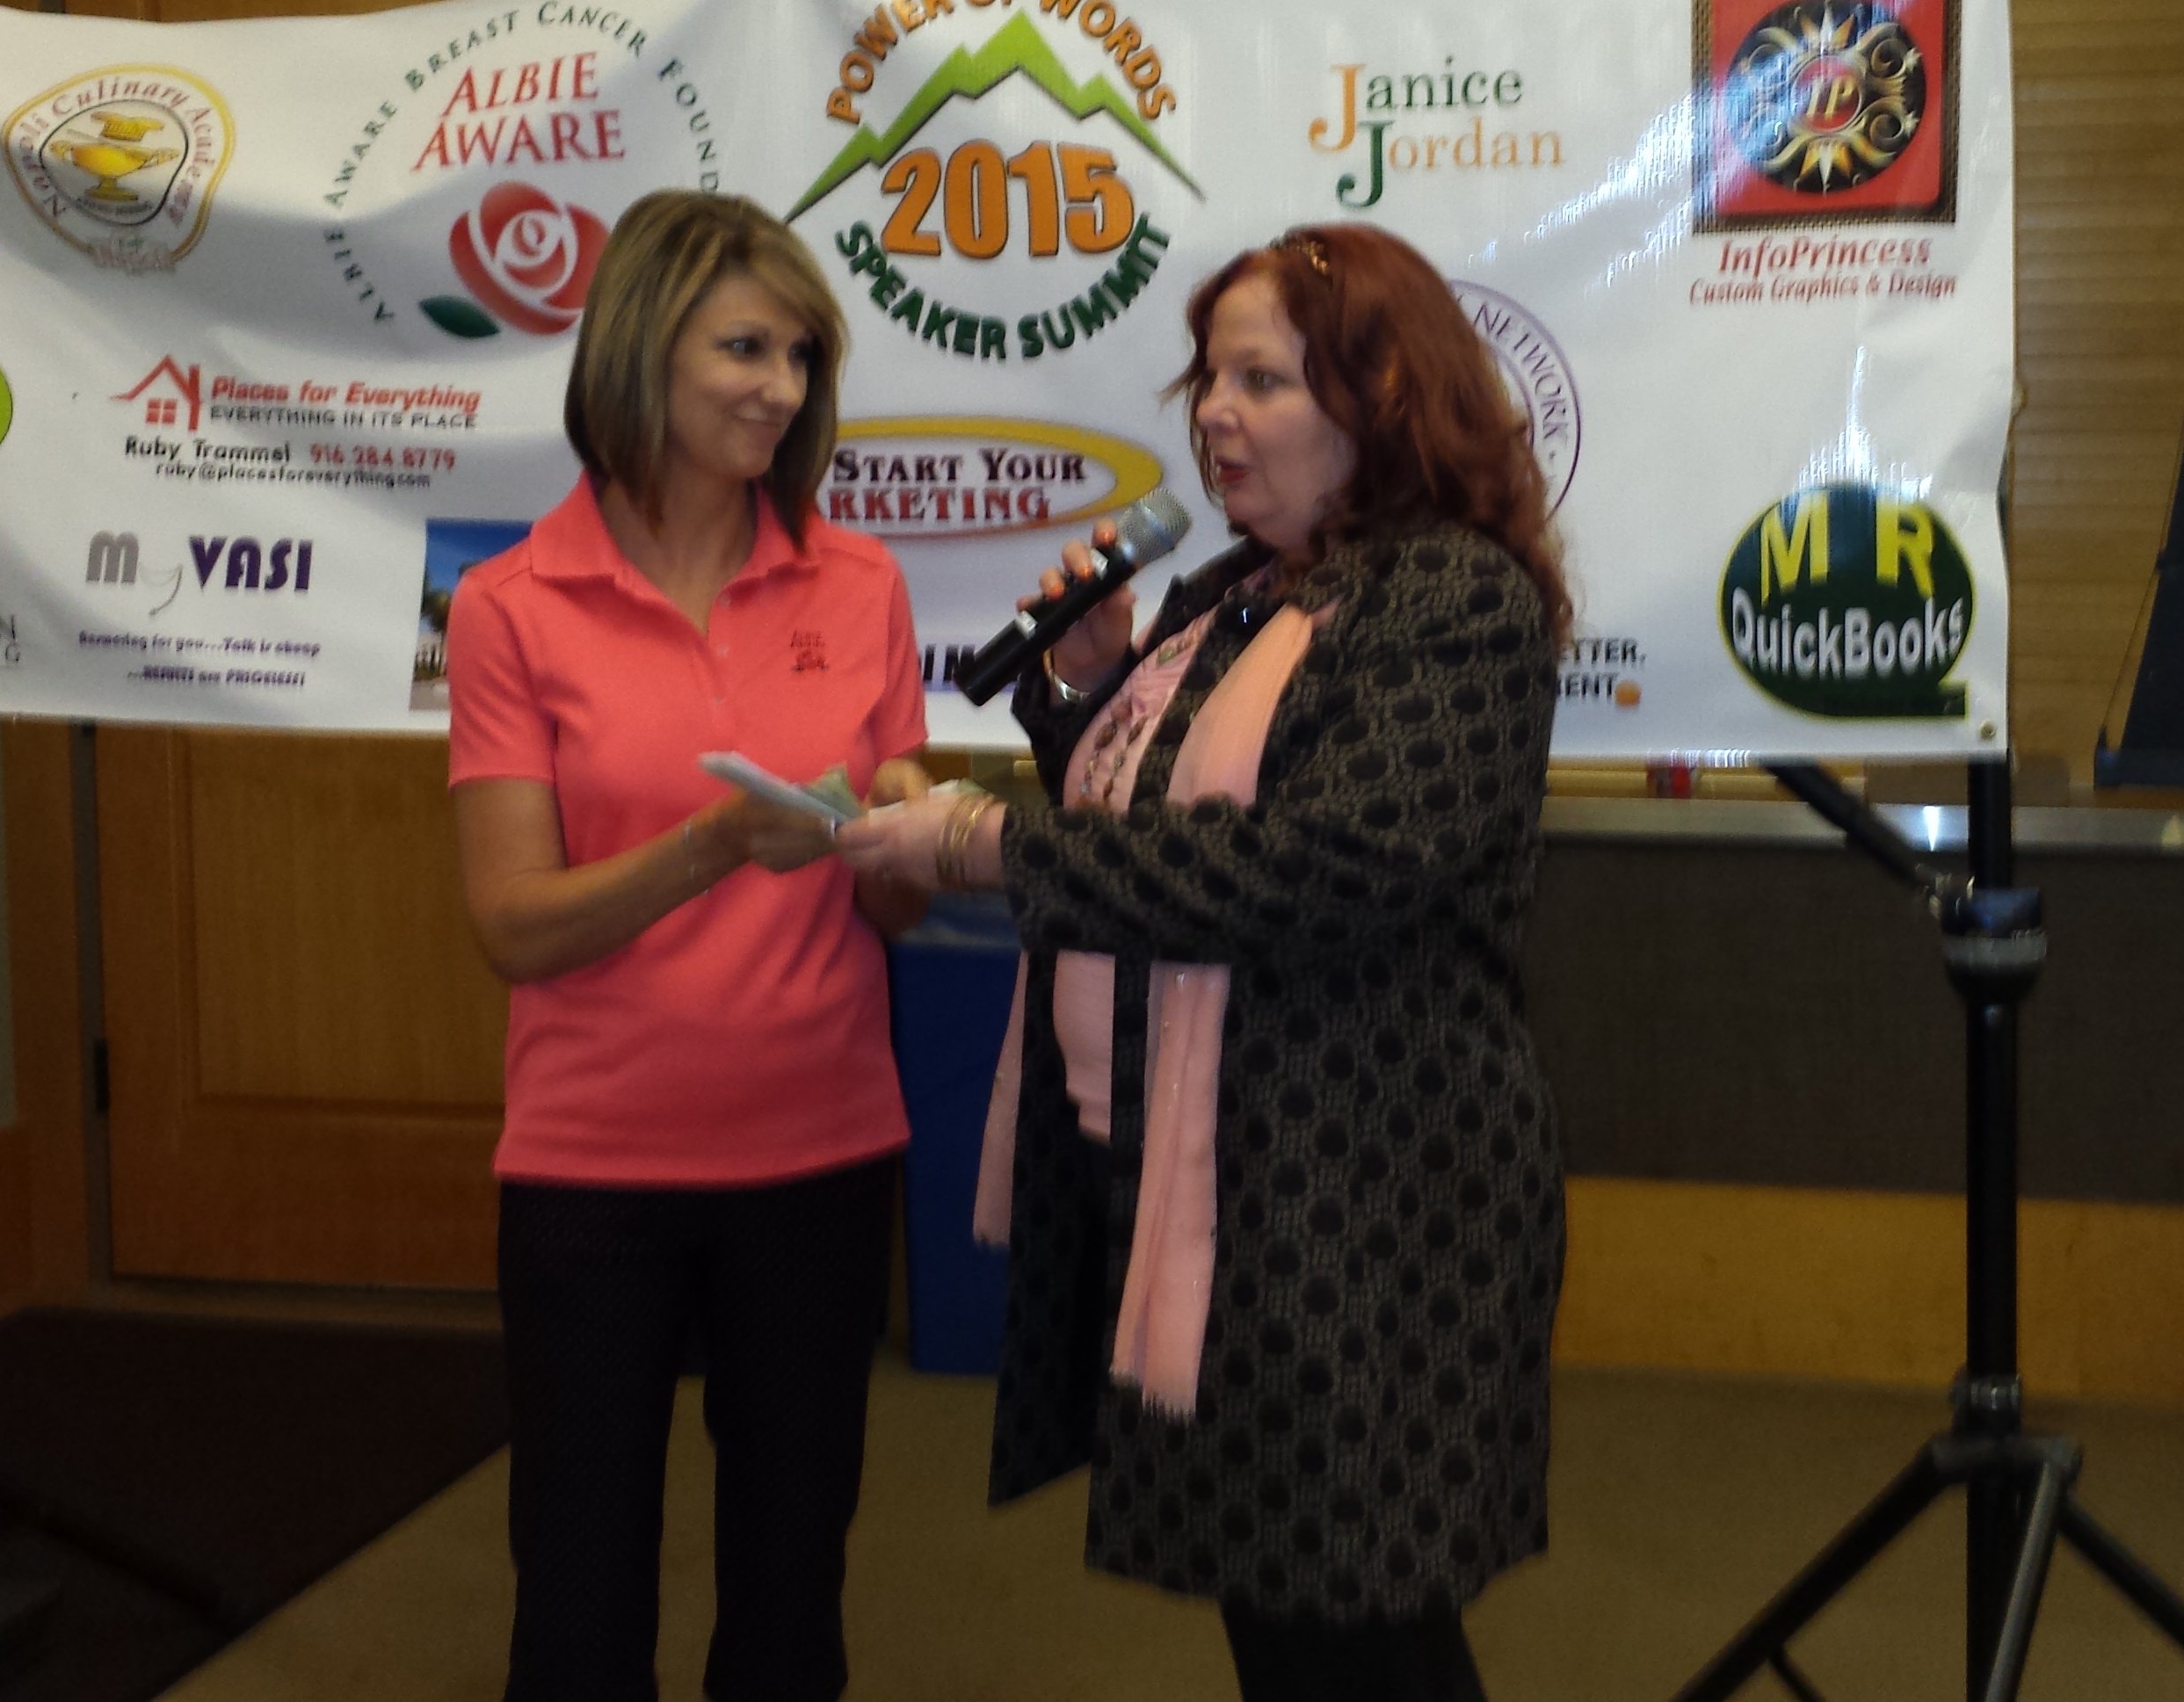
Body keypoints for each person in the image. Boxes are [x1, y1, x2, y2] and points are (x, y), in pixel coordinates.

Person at [838, 222, 1572, 1701]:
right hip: (1210, 1175)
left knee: (1357, 1615)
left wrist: (985, 845)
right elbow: (1143, 805)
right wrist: (1084, 686)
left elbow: (1313, 870)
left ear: (1382, 398)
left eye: (1261, 382)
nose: (1215, 416)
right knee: (1281, 1602)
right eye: (1208, 382)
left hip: (1361, 1202)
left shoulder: (1452, 602)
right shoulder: (1239, 589)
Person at [446, 189, 932, 1702]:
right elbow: (512, 925)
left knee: (791, 1600)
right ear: (640, 349)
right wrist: (710, 848)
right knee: (580, 1600)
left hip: (821, 1152)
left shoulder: (861, 585)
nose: (779, 389)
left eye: (800, 356)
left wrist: (903, 835)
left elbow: (895, 911)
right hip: (593, 1171)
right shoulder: (509, 605)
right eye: (744, 348)